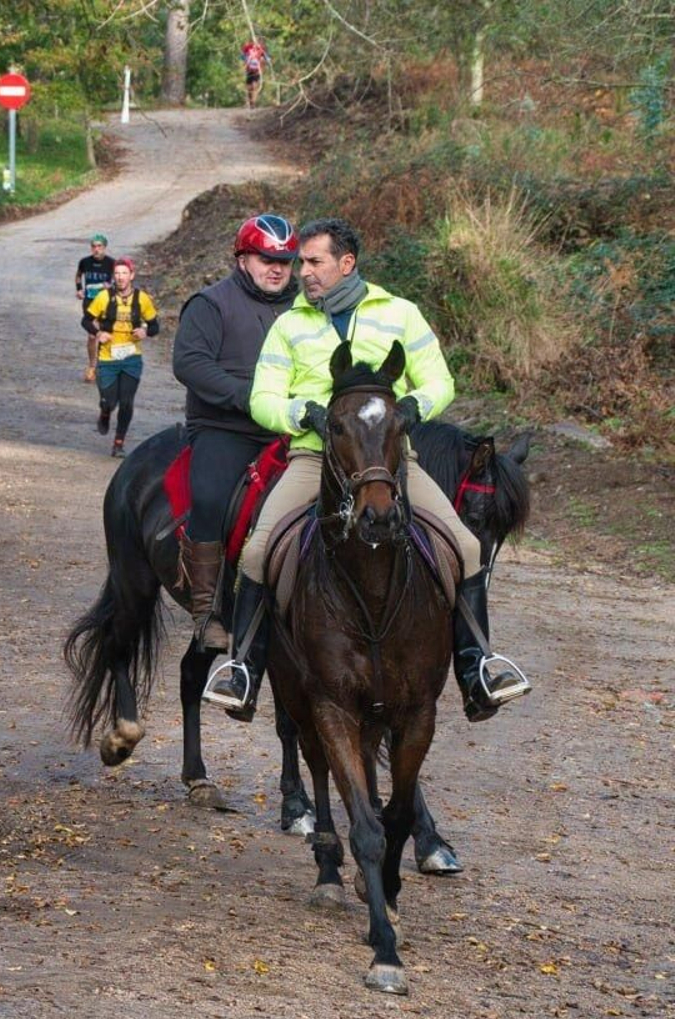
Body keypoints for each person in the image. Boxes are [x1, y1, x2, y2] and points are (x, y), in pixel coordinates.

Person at [202, 218, 531, 723]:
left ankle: (477, 668)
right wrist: (299, 415)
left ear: (346, 263)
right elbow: (262, 397)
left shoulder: (400, 314)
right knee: (259, 549)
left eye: (313, 262)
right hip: (315, 455)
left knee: (465, 547)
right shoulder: (290, 324)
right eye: (301, 263)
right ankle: (242, 670)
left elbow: (439, 380)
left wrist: (414, 410)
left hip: (392, 460)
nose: (302, 272)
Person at [171, 214, 299, 650]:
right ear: (243, 258)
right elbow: (189, 364)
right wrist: (247, 397)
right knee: (208, 497)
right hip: (224, 427)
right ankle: (206, 611)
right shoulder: (210, 303)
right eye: (266, 258)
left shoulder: (306, 309)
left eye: (285, 259)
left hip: (290, 427)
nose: (277, 268)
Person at [82, 257, 160, 458]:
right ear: (113, 276)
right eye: (117, 274)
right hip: (108, 358)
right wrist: (99, 334)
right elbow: (86, 320)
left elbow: (154, 326)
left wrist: (145, 332)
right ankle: (105, 411)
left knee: (126, 402)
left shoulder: (141, 299)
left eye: (124, 273)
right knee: (109, 401)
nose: (120, 277)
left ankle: (119, 443)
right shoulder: (103, 297)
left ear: (131, 276)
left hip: (131, 358)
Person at [74, 235, 115, 383]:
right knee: (92, 335)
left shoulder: (111, 263)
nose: (96, 249)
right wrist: (79, 289)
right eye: (94, 246)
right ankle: (92, 365)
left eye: (99, 246)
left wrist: (111, 286)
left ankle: (102, 366)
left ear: (104, 247)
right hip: (90, 302)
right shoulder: (85, 262)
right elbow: (79, 276)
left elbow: (118, 280)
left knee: (104, 334)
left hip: (106, 304)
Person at [240, 39, 269, 108]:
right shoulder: (248, 47)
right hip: (249, 70)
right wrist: (246, 59)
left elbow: (267, 58)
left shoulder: (261, 49)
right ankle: (250, 101)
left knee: (254, 86)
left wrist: (264, 60)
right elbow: (242, 56)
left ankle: (253, 102)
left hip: (257, 70)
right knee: (249, 87)